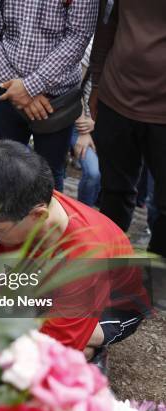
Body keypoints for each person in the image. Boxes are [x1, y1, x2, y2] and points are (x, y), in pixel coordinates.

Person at [0, 140, 149, 362]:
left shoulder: (84, 256)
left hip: (115, 304)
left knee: (60, 350)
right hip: (50, 281)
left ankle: (93, 352)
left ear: (38, 216)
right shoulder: (0, 213)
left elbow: (56, 344)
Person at [0, 0, 98, 192]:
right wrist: (18, 89)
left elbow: (78, 37)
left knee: (49, 174)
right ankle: (6, 221)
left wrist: (30, 87)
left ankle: (47, 222)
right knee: (4, 168)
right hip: (8, 91)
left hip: (57, 98)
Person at [89, 0, 166, 257]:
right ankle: (110, 265)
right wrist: (97, 82)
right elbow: (107, 23)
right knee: (114, 192)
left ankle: (155, 275)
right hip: (116, 99)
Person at [70, 37, 100, 207]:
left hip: (106, 126)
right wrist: (83, 130)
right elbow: (74, 88)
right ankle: (83, 215)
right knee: (93, 173)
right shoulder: (91, 49)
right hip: (79, 123)